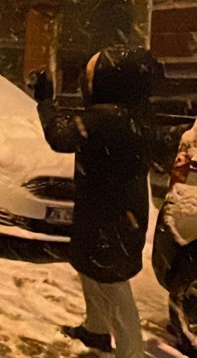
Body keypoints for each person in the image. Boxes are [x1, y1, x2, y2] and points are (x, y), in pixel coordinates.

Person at [30, 45, 154, 358]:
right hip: (115, 215)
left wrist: (46, 102)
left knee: (113, 288)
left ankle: (131, 353)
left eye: (90, 77)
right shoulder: (133, 115)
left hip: (107, 220)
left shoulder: (105, 117)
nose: (86, 84)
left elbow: (60, 136)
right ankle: (95, 329)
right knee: (92, 273)